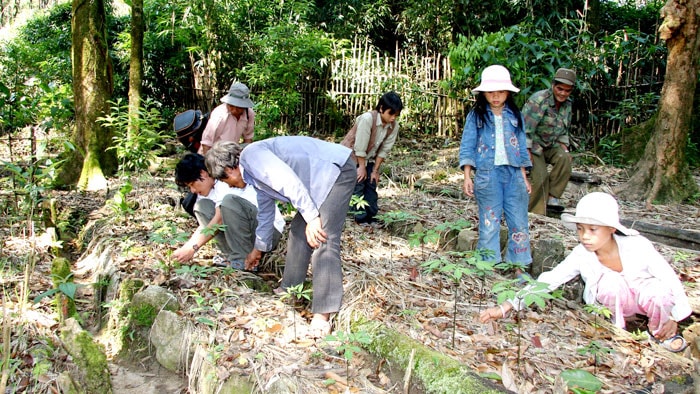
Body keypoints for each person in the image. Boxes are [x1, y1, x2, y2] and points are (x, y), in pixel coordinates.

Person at [479, 192, 691, 353]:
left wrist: (675, 317)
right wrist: (507, 306)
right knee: (610, 284)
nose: (584, 236)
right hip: (615, 303)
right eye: (580, 229)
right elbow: (551, 279)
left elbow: (668, 278)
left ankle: (660, 333)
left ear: (611, 229)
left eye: (592, 230)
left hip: (644, 297)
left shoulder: (638, 246)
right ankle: (620, 333)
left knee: (658, 292)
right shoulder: (582, 254)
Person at [205, 137, 355, 337]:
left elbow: (288, 182)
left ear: (230, 169)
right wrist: (258, 249)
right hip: (318, 181)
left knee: (322, 238)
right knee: (298, 233)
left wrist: (312, 218)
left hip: (336, 171)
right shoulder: (252, 174)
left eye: (225, 181)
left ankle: (323, 313)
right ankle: (290, 290)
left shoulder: (253, 157)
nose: (230, 186)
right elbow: (266, 213)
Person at [458, 65, 533, 269]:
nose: (496, 96)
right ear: (483, 94)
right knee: (490, 221)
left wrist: (524, 177)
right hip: (487, 173)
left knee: (518, 219)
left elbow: (521, 148)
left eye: (500, 92)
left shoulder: (515, 115)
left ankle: (519, 265)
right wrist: (467, 176)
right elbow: (468, 145)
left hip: (514, 174)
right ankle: (487, 266)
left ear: (508, 92)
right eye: (491, 92)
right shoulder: (476, 116)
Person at [171, 153, 284, 269]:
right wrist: (187, 247)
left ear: (203, 173)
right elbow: (207, 225)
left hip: (268, 232)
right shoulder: (208, 191)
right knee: (202, 207)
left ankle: (241, 261)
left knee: (229, 202)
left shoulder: (223, 182)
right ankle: (234, 256)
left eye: (192, 184)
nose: (193, 190)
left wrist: (193, 248)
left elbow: (218, 220)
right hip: (250, 232)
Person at [522, 68, 576, 215]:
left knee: (565, 159)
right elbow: (524, 129)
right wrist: (526, 153)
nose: (563, 93)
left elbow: (564, 130)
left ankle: (553, 198)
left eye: (567, 90)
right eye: (560, 89)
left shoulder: (567, 104)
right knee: (540, 176)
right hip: (533, 145)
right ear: (553, 85)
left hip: (551, 145)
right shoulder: (539, 100)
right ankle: (534, 213)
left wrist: (565, 148)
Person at [349, 91, 403, 225]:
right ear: (381, 109)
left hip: (370, 159)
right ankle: (359, 217)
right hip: (351, 156)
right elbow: (360, 147)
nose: (393, 118)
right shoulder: (368, 119)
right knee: (358, 184)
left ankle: (371, 215)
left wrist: (375, 170)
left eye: (396, 115)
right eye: (391, 113)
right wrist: (361, 167)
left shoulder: (393, 126)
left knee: (371, 184)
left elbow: (384, 150)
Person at [198, 82, 255, 154]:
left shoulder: (249, 114)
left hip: (230, 154)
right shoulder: (219, 114)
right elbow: (207, 141)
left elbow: (248, 138)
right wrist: (206, 161)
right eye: (231, 106)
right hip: (212, 154)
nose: (234, 110)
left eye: (239, 108)